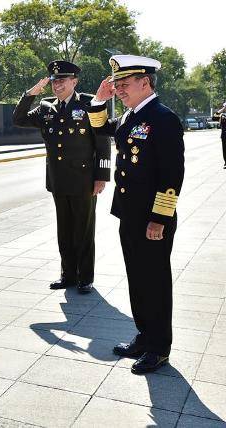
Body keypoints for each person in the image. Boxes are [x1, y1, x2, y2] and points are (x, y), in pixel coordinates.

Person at [87, 54, 185, 374]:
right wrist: (99, 101)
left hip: (152, 219)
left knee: (155, 282)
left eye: (124, 84)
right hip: (129, 214)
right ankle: (144, 336)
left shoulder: (163, 118)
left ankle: (159, 348)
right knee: (138, 279)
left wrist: (160, 218)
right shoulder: (132, 116)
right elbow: (101, 130)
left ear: (145, 82)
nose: (119, 90)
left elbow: (172, 175)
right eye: (116, 85)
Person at [13, 60, 111, 294]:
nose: (57, 85)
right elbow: (18, 119)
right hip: (58, 179)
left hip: (84, 180)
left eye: (62, 81)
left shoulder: (89, 103)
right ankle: (67, 275)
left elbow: (103, 141)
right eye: (54, 82)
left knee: (83, 231)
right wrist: (32, 93)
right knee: (64, 230)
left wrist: (102, 177)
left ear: (74, 81)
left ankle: (85, 277)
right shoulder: (46, 107)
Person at [213, 101, 226, 168]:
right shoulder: (222, 115)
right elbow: (214, 118)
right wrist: (222, 110)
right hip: (224, 135)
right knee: (225, 150)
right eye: (224, 107)